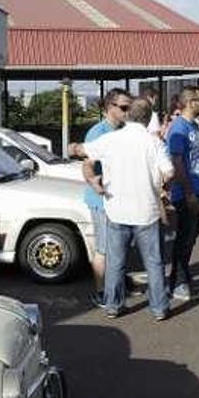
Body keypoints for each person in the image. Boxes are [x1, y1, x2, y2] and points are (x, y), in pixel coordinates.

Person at [72, 98, 174, 321]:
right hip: (146, 210)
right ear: (148, 118)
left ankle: (113, 305)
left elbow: (81, 151)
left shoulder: (110, 140)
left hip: (116, 210)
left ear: (129, 115)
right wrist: (160, 182)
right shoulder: (154, 142)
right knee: (154, 262)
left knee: (116, 262)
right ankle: (159, 308)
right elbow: (169, 171)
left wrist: (74, 148)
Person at [79, 89, 132, 307]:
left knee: (120, 246)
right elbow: (87, 164)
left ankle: (117, 284)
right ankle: (101, 291)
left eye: (129, 107)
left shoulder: (126, 130)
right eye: (124, 108)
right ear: (110, 107)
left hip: (121, 200)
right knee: (104, 248)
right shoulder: (97, 132)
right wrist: (93, 181)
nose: (128, 112)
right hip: (102, 201)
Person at [165, 86, 199, 302]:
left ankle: (182, 277)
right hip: (186, 193)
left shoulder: (193, 126)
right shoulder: (179, 128)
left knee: (191, 238)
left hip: (198, 189)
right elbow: (177, 162)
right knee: (184, 238)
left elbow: (196, 159)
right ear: (191, 102)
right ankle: (178, 282)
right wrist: (190, 192)